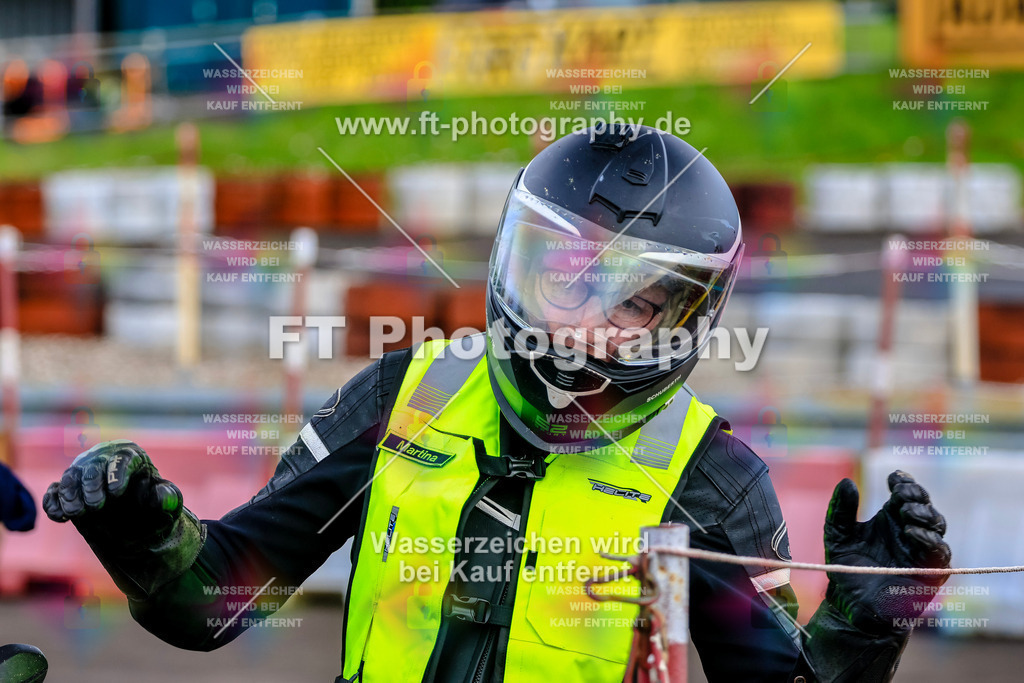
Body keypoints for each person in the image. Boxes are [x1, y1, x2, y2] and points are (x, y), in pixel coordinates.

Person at [43, 126, 951, 682]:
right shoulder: (408, 397)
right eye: (565, 279)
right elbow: (213, 605)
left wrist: (865, 624)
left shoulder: (708, 481)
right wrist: (139, 525)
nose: (584, 325)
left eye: (633, 304)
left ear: (687, 319)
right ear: (515, 263)